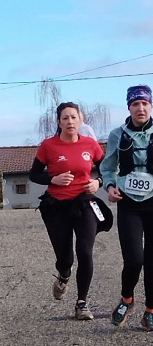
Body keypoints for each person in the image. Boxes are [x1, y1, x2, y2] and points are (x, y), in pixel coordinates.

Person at [100, 84, 153, 331]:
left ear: (151, 106)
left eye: (145, 103)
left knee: (152, 261)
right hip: (129, 203)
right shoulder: (117, 135)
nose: (141, 108)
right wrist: (110, 187)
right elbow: (107, 168)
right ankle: (127, 299)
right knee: (133, 259)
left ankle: (151, 312)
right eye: (135, 104)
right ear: (129, 107)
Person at [30, 102, 113, 320]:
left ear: (80, 120)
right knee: (65, 257)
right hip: (57, 205)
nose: (70, 122)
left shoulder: (91, 144)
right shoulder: (48, 146)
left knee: (85, 251)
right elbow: (33, 175)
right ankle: (64, 275)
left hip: (84, 203)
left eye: (73, 117)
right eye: (65, 118)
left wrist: (99, 182)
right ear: (58, 122)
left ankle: (82, 303)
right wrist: (52, 179)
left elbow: (108, 170)